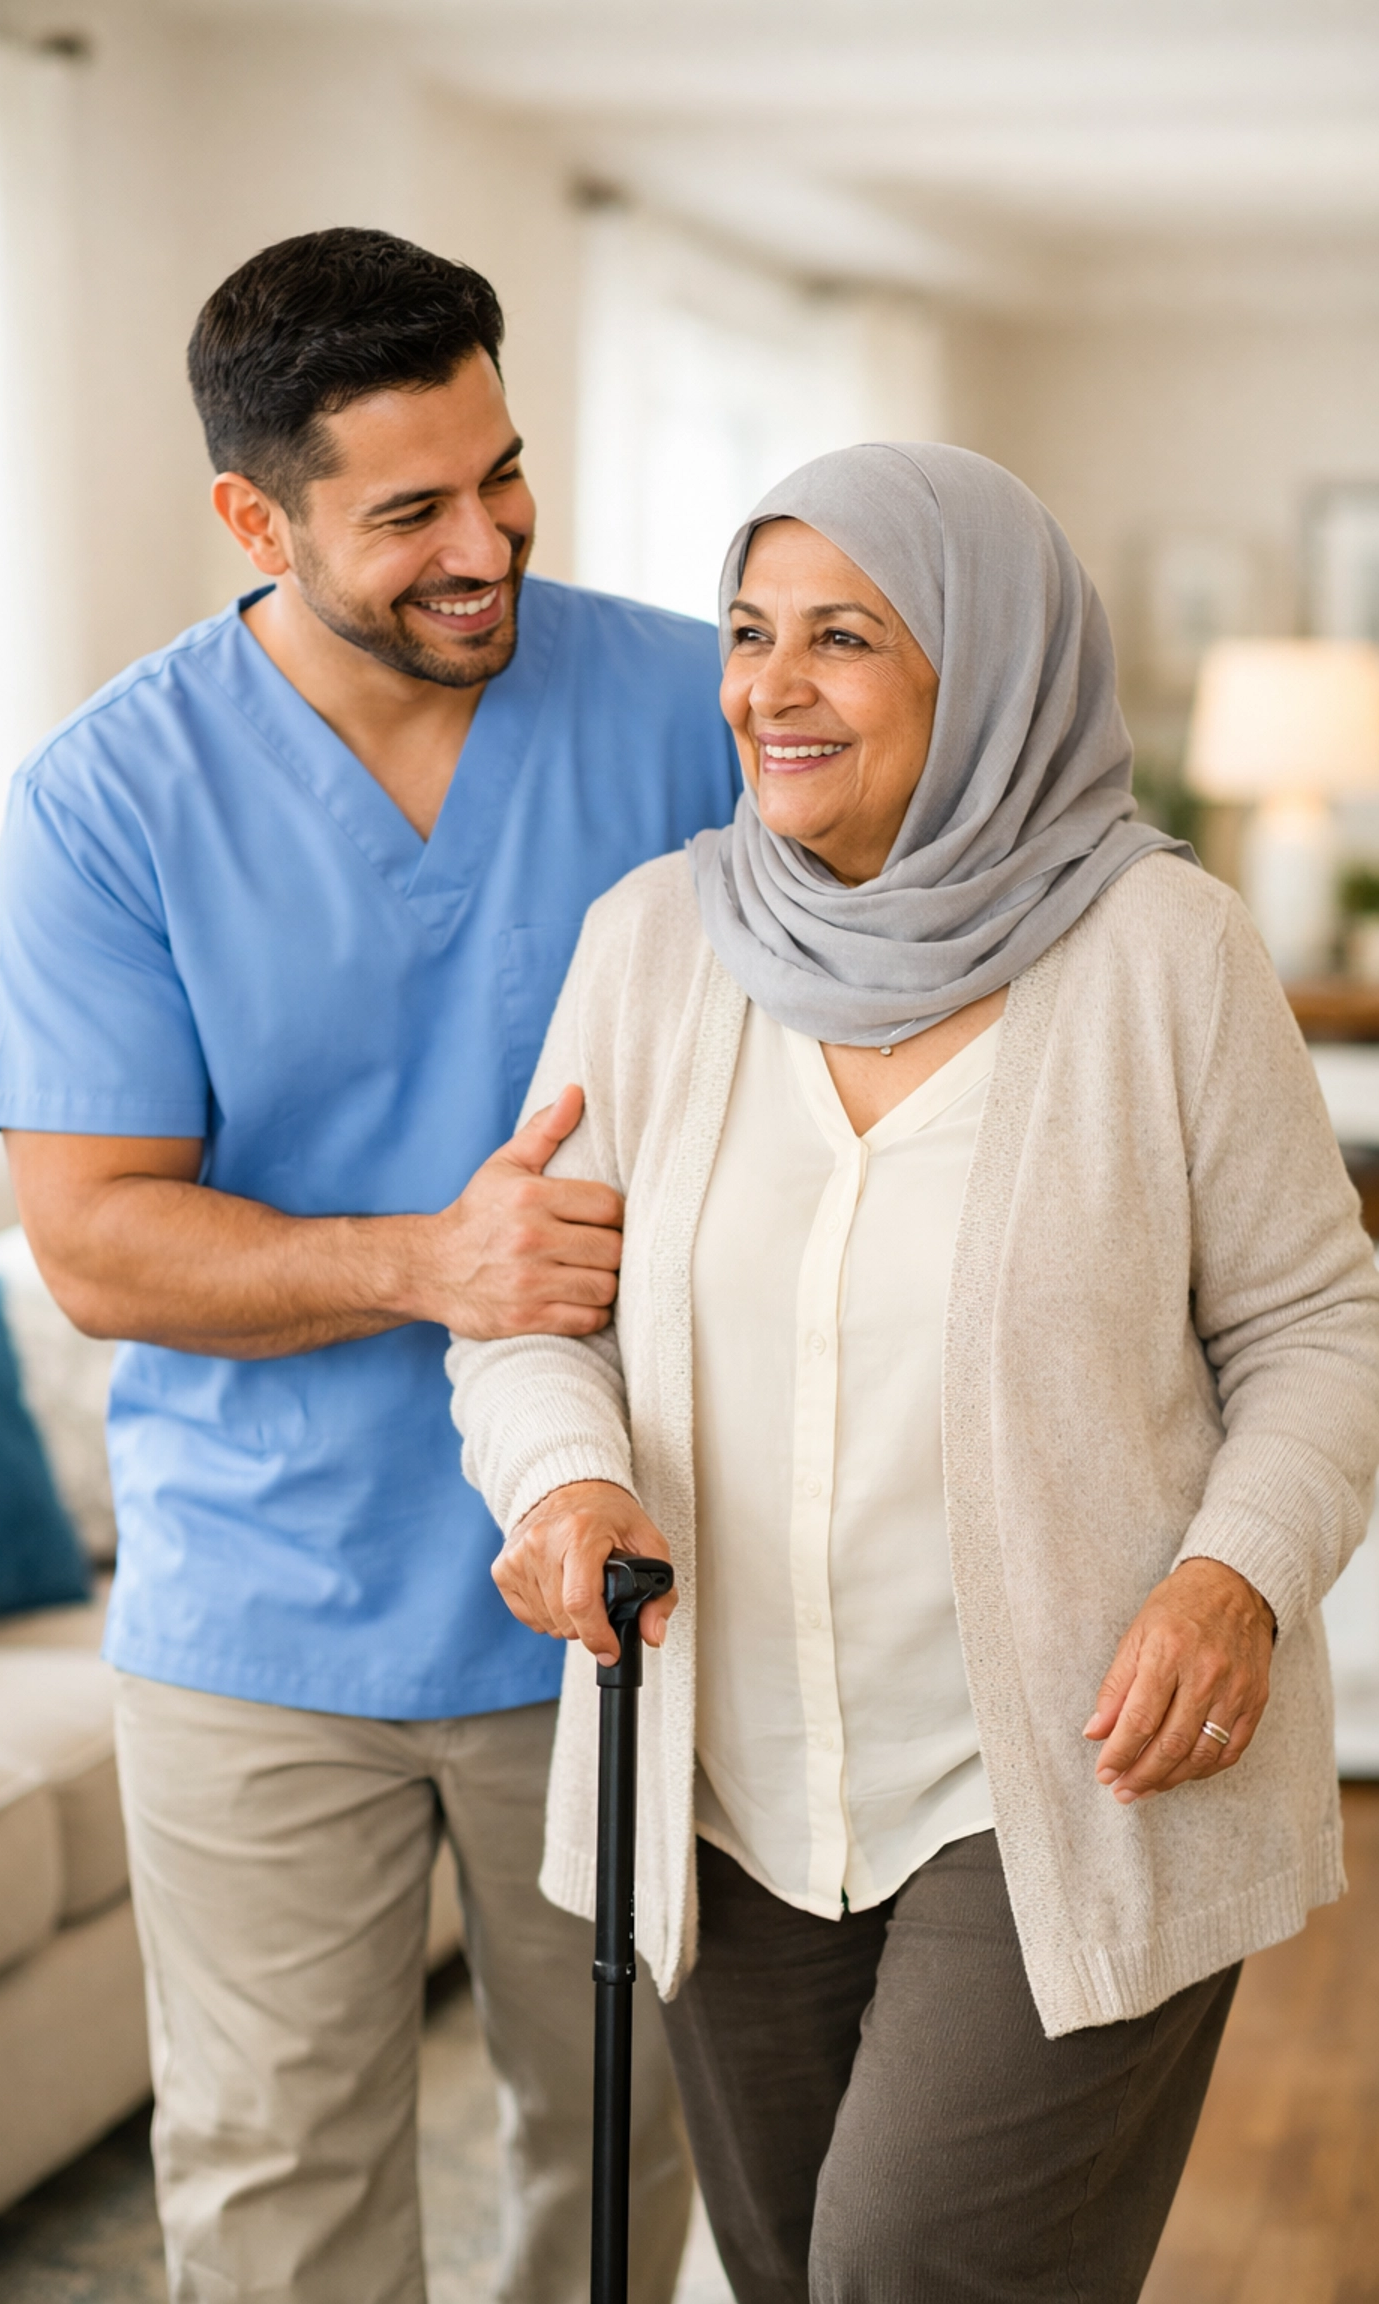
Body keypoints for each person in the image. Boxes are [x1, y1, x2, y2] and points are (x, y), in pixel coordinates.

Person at [448, 443, 1379, 2304]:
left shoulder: (1162, 953)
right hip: (730, 1779)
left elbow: (1319, 1326)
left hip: (1067, 1775)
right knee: (790, 2273)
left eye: (843, 639)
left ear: (988, 667)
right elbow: (533, 1306)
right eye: (747, 632)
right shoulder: (655, 946)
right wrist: (561, 1484)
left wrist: (1235, 1576)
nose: (768, 688)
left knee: (900, 2275)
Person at [0, 227, 741, 2304]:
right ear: (254, 514)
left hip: (621, 1585)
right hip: (261, 1612)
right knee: (279, 2180)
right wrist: (434, 1262)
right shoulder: (110, 799)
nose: (486, 544)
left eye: (504, 474)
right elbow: (95, 1241)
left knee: (620, 2146)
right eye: (411, 512)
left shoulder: (691, 709)